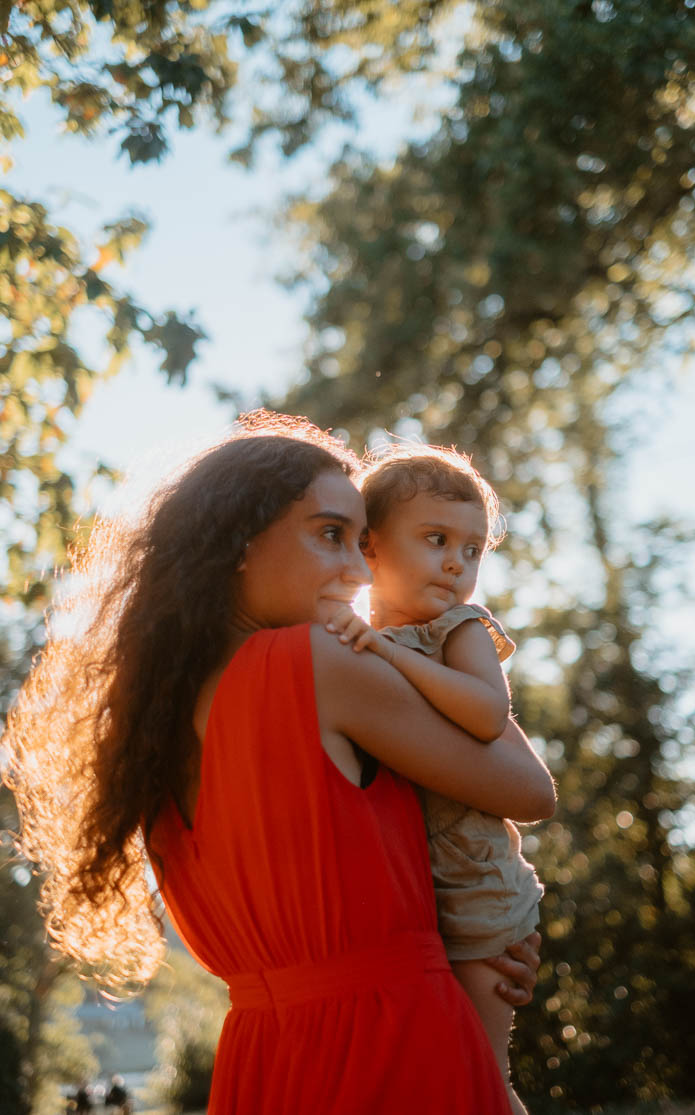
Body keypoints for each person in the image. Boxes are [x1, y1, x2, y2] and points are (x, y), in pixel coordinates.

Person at [2, 412, 556, 1113]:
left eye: (361, 542)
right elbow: (531, 789)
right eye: (330, 535)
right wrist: (445, 642)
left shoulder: (153, 723)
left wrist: (457, 948)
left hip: (264, 1064)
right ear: (237, 541)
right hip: (396, 1046)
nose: (358, 570)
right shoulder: (314, 665)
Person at [323, 445, 545, 1115]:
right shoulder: (350, 643)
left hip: (476, 884)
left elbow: (486, 713)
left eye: (473, 549)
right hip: (418, 897)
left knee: (479, 1070)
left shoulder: (457, 628)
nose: (457, 562)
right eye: (437, 539)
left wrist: (391, 652)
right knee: (439, 1068)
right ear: (371, 549)